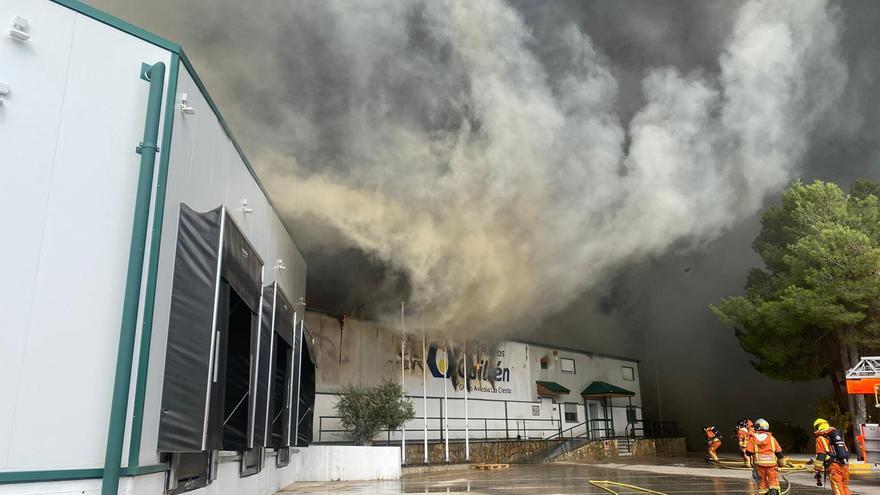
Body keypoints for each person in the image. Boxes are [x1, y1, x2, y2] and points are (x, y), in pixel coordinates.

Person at [746, 419, 785, 495]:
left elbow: (748, 453)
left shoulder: (753, 438)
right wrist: (781, 462)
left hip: (759, 464)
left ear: (757, 427)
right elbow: (779, 452)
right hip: (772, 464)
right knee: (773, 479)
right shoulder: (772, 438)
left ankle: (763, 492)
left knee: (762, 480)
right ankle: (774, 491)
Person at [812, 418, 851, 495]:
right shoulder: (837, 437)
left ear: (817, 427)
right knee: (845, 487)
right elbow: (845, 451)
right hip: (844, 465)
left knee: (838, 489)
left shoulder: (820, 438)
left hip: (834, 467)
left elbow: (821, 456)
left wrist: (817, 470)